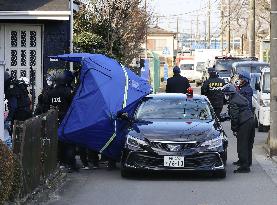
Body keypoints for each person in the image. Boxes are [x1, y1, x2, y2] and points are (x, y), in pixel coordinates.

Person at [47, 70, 77, 172]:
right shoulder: (68, 91)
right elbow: (73, 105)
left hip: (55, 119)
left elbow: (46, 106)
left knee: (59, 143)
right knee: (69, 143)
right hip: (67, 119)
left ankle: (61, 163)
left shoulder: (50, 92)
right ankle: (70, 165)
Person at [222, 84, 255, 173]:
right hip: (251, 120)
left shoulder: (233, 101)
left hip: (244, 122)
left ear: (229, 94)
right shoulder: (240, 97)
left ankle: (244, 167)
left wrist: (234, 129)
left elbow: (235, 117)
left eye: (226, 94)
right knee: (248, 143)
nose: (226, 96)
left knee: (242, 144)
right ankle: (247, 161)